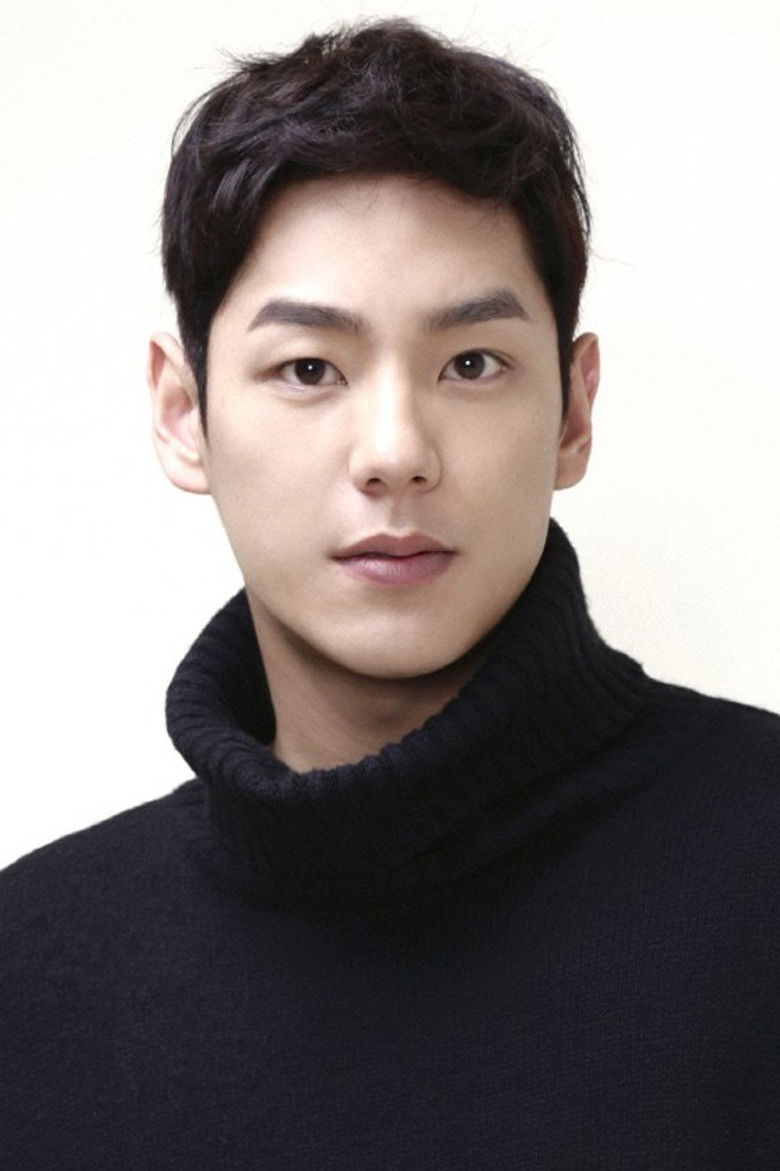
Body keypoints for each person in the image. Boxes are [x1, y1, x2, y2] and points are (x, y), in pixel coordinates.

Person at [2, 19, 778, 1168]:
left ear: (573, 411)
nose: (397, 453)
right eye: (308, 368)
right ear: (183, 412)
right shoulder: (30, 966)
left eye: (472, 363)